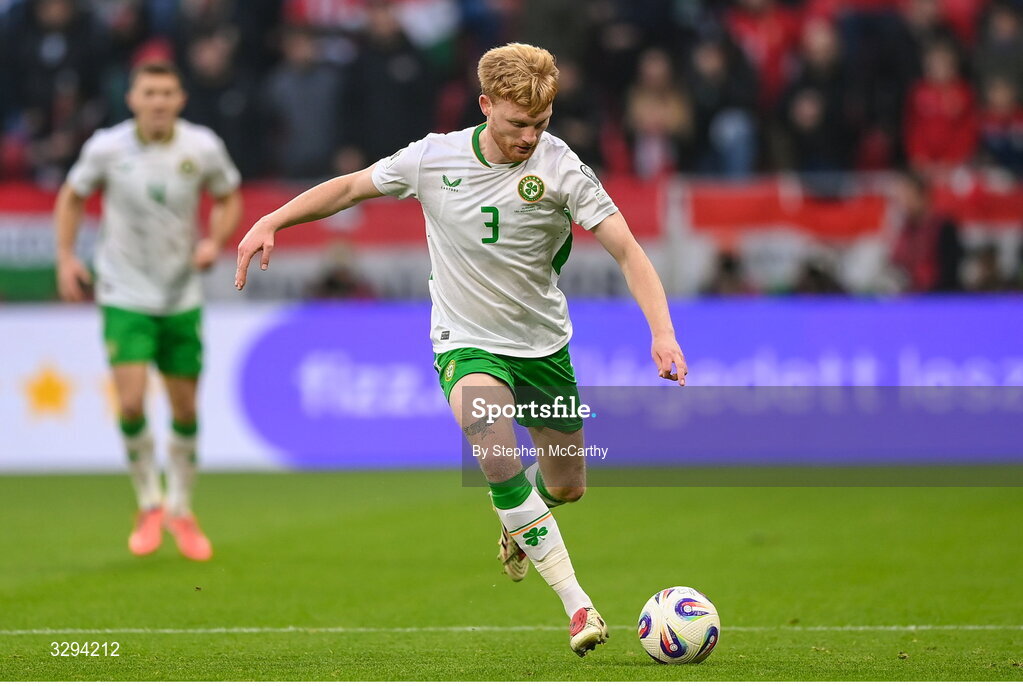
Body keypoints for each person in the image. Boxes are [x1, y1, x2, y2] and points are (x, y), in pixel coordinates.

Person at [234, 43, 687, 656]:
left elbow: (628, 250)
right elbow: (348, 188)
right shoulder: (432, 157)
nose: (530, 136)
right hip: (467, 343)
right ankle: (578, 605)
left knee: (568, 485)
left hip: (543, 348)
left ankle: (519, 525)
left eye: (541, 123)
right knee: (493, 447)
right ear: (485, 106)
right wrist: (272, 220)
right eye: (517, 123)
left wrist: (662, 331)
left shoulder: (563, 169)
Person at [54, 61, 243, 561]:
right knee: (133, 403)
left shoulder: (201, 146)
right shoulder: (106, 147)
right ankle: (148, 503)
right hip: (123, 291)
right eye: (149, 92)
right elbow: (71, 197)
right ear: (132, 99)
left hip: (180, 293)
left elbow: (228, 197)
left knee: (183, 408)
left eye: (167, 92)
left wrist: (214, 241)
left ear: (180, 99)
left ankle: (181, 509)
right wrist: (66, 257)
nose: (158, 101)